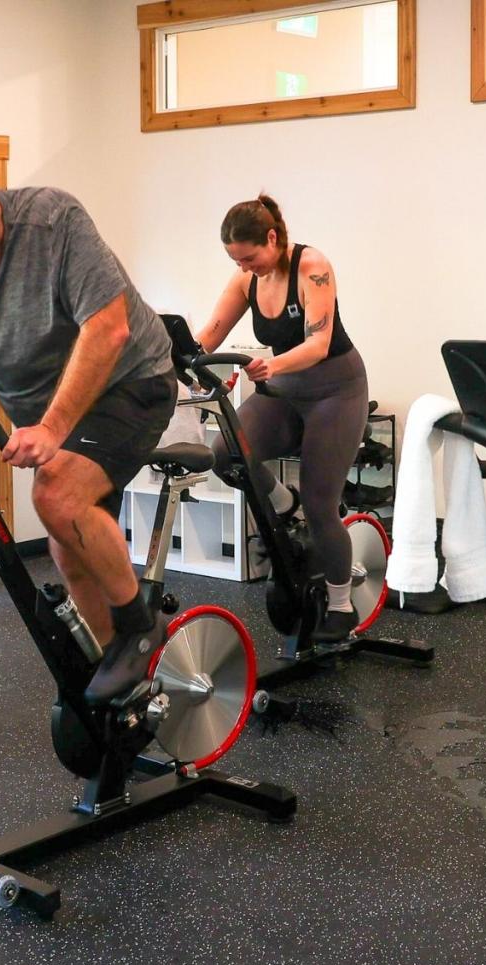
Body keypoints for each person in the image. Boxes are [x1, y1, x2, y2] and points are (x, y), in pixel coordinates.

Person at [0, 150, 175, 703]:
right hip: (50, 406)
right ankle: (112, 672)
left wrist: (51, 428)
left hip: (129, 384)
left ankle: (139, 629)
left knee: (58, 497)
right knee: (67, 544)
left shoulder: (53, 222)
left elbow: (109, 329)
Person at [194, 196, 370, 642]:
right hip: (286, 393)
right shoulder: (246, 279)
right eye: (236, 260)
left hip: (336, 391)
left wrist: (271, 366)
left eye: (250, 257)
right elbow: (210, 335)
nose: (245, 267)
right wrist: (179, 361)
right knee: (227, 455)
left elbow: (318, 343)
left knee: (320, 506)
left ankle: (341, 603)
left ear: (272, 238)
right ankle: (282, 502)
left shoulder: (312, 266)